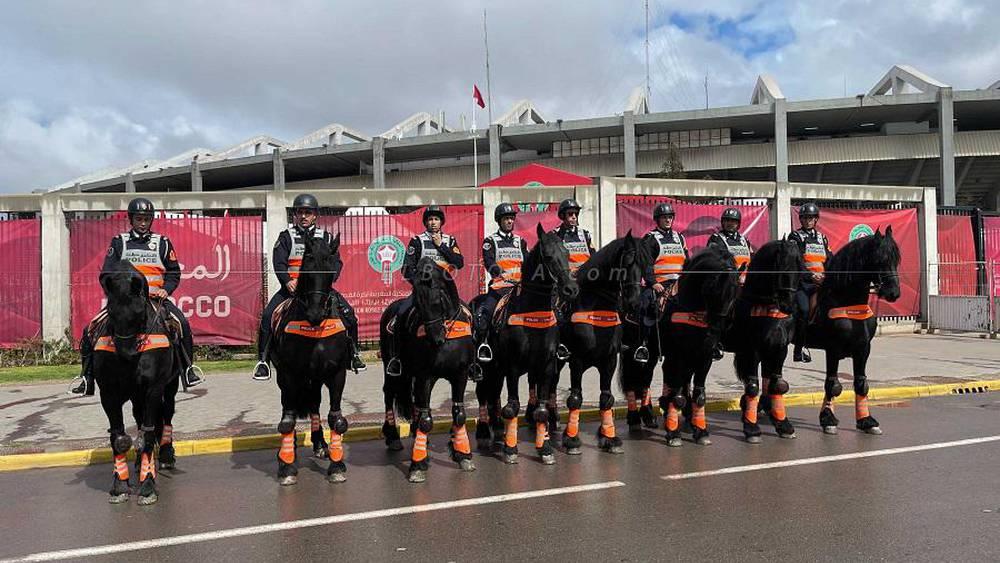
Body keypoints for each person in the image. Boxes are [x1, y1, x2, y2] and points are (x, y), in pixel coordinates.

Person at [71, 197, 202, 395]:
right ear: (131, 219)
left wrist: (166, 289)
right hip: (126, 302)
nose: (143, 223)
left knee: (182, 324)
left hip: (155, 299)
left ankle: (188, 370)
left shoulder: (163, 243)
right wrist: (119, 294)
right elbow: (106, 274)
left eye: (147, 219)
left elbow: (174, 272)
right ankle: (86, 378)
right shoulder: (119, 242)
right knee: (89, 329)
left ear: (151, 221)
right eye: (139, 219)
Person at [251, 193, 366, 381]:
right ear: (295, 215)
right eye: (300, 212)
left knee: (350, 315)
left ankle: (354, 354)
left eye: (307, 212)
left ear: (315, 215)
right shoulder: (286, 237)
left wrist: (327, 281)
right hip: (292, 289)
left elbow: (336, 263)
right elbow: (279, 263)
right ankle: (263, 361)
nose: (303, 216)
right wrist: (288, 280)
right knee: (267, 316)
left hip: (320, 290)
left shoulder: (327, 237)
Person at [384, 205, 464, 377]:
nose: (433, 222)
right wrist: (419, 285)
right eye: (430, 219)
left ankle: (472, 360)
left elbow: (459, 262)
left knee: (470, 315)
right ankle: (396, 359)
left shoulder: (450, 240)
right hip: (423, 292)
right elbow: (407, 268)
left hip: (446, 292)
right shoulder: (417, 240)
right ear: (425, 222)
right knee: (400, 315)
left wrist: (441, 245)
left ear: (441, 221)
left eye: (436, 219)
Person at [635, 202, 689, 362]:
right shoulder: (650, 238)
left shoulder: (680, 237)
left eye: (670, 217)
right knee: (647, 306)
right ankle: (643, 345)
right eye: (664, 217)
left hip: (679, 283)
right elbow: (646, 264)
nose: (668, 220)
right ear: (657, 220)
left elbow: (688, 261)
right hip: (660, 284)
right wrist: (652, 283)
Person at [474, 203, 528, 362]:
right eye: (506, 219)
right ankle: (483, 345)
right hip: (500, 288)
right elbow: (489, 262)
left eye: (512, 218)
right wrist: (499, 272)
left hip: (519, 288)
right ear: (499, 221)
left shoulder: (521, 241)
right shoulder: (490, 241)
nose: (510, 221)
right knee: (485, 313)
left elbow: (528, 262)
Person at [550, 198, 595, 360]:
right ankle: (560, 343)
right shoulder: (554, 236)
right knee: (556, 310)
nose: (574, 217)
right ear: (562, 216)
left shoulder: (586, 234)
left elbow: (593, 257)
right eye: (570, 214)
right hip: (565, 283)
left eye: (575, 214)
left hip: (586, 281)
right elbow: (553, 261)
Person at [786, 202, 832, 363]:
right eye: (805, 218)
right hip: (803, 284)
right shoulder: (795, 237)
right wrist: (811, 275)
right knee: (804, 311)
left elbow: (829, 259)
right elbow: (796, 262)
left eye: (811, 218)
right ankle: (798, 349)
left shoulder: (822, 238)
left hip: (822, 283)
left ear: (816, 219)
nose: (808, 221)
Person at [706, 207, 754, 360]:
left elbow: (751, 259)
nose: (730, 224)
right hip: (727, 282)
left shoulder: (744, 239)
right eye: (727, 221)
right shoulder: (716, 239)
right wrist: (734, 277)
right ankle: (716, 341)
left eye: (733, 221)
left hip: (746, 282)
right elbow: (716, 261)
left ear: (738, 224)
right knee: (723, 307)